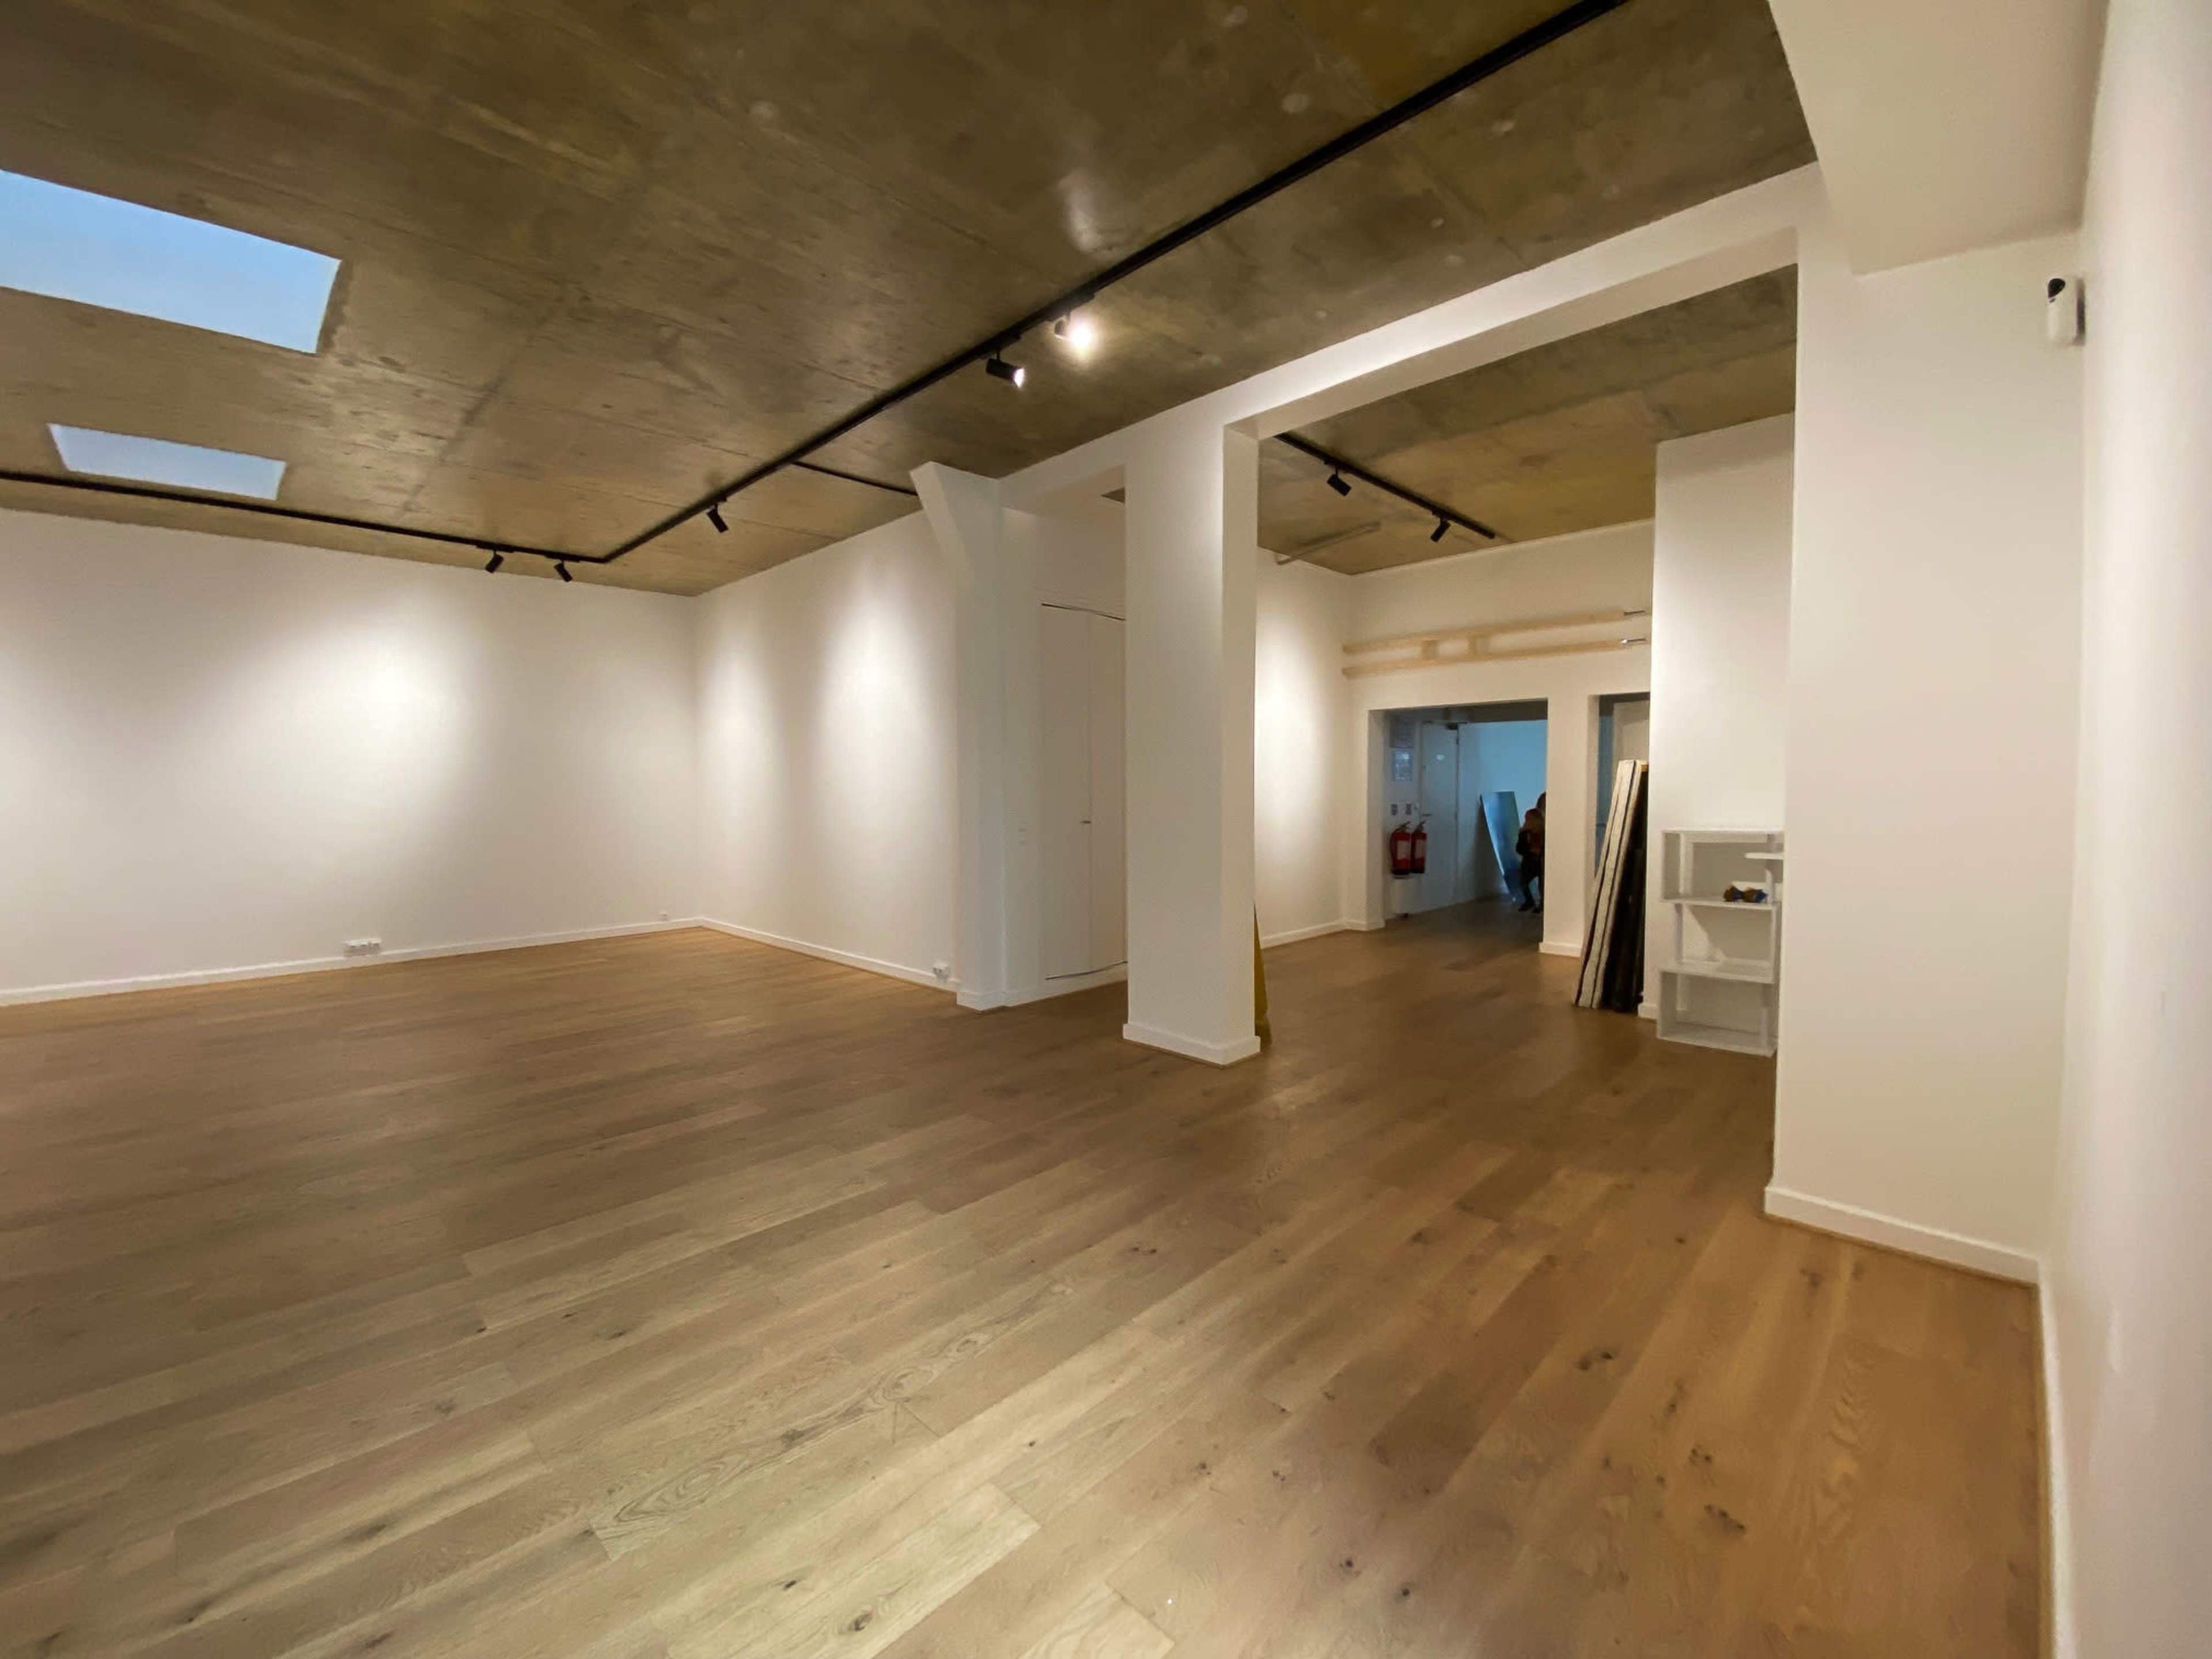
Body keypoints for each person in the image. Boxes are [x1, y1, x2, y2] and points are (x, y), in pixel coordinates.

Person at [1516, 793, 1547, 912]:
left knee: (1542, 883)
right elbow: (1520, 848)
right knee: (1523, 880)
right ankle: (1530, 901)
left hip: (1541, 858)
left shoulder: (1545, 827)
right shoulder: (1526, 831)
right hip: (1530, 858)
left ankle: (1542, 904)